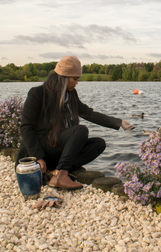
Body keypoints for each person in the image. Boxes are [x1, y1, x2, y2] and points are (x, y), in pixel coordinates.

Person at [15, 55, 135, 190]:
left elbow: (89, 113)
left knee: (99, 143)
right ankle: (61, 175)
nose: (76, 83)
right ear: (64, 77)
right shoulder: (37, 93)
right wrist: (38, 158)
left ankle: (56, 172)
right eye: (75, 79)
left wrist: (119, 122)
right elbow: (26, 128)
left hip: (54, 150)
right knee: (80, 130)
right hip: (38, 153)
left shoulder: (70, 94)